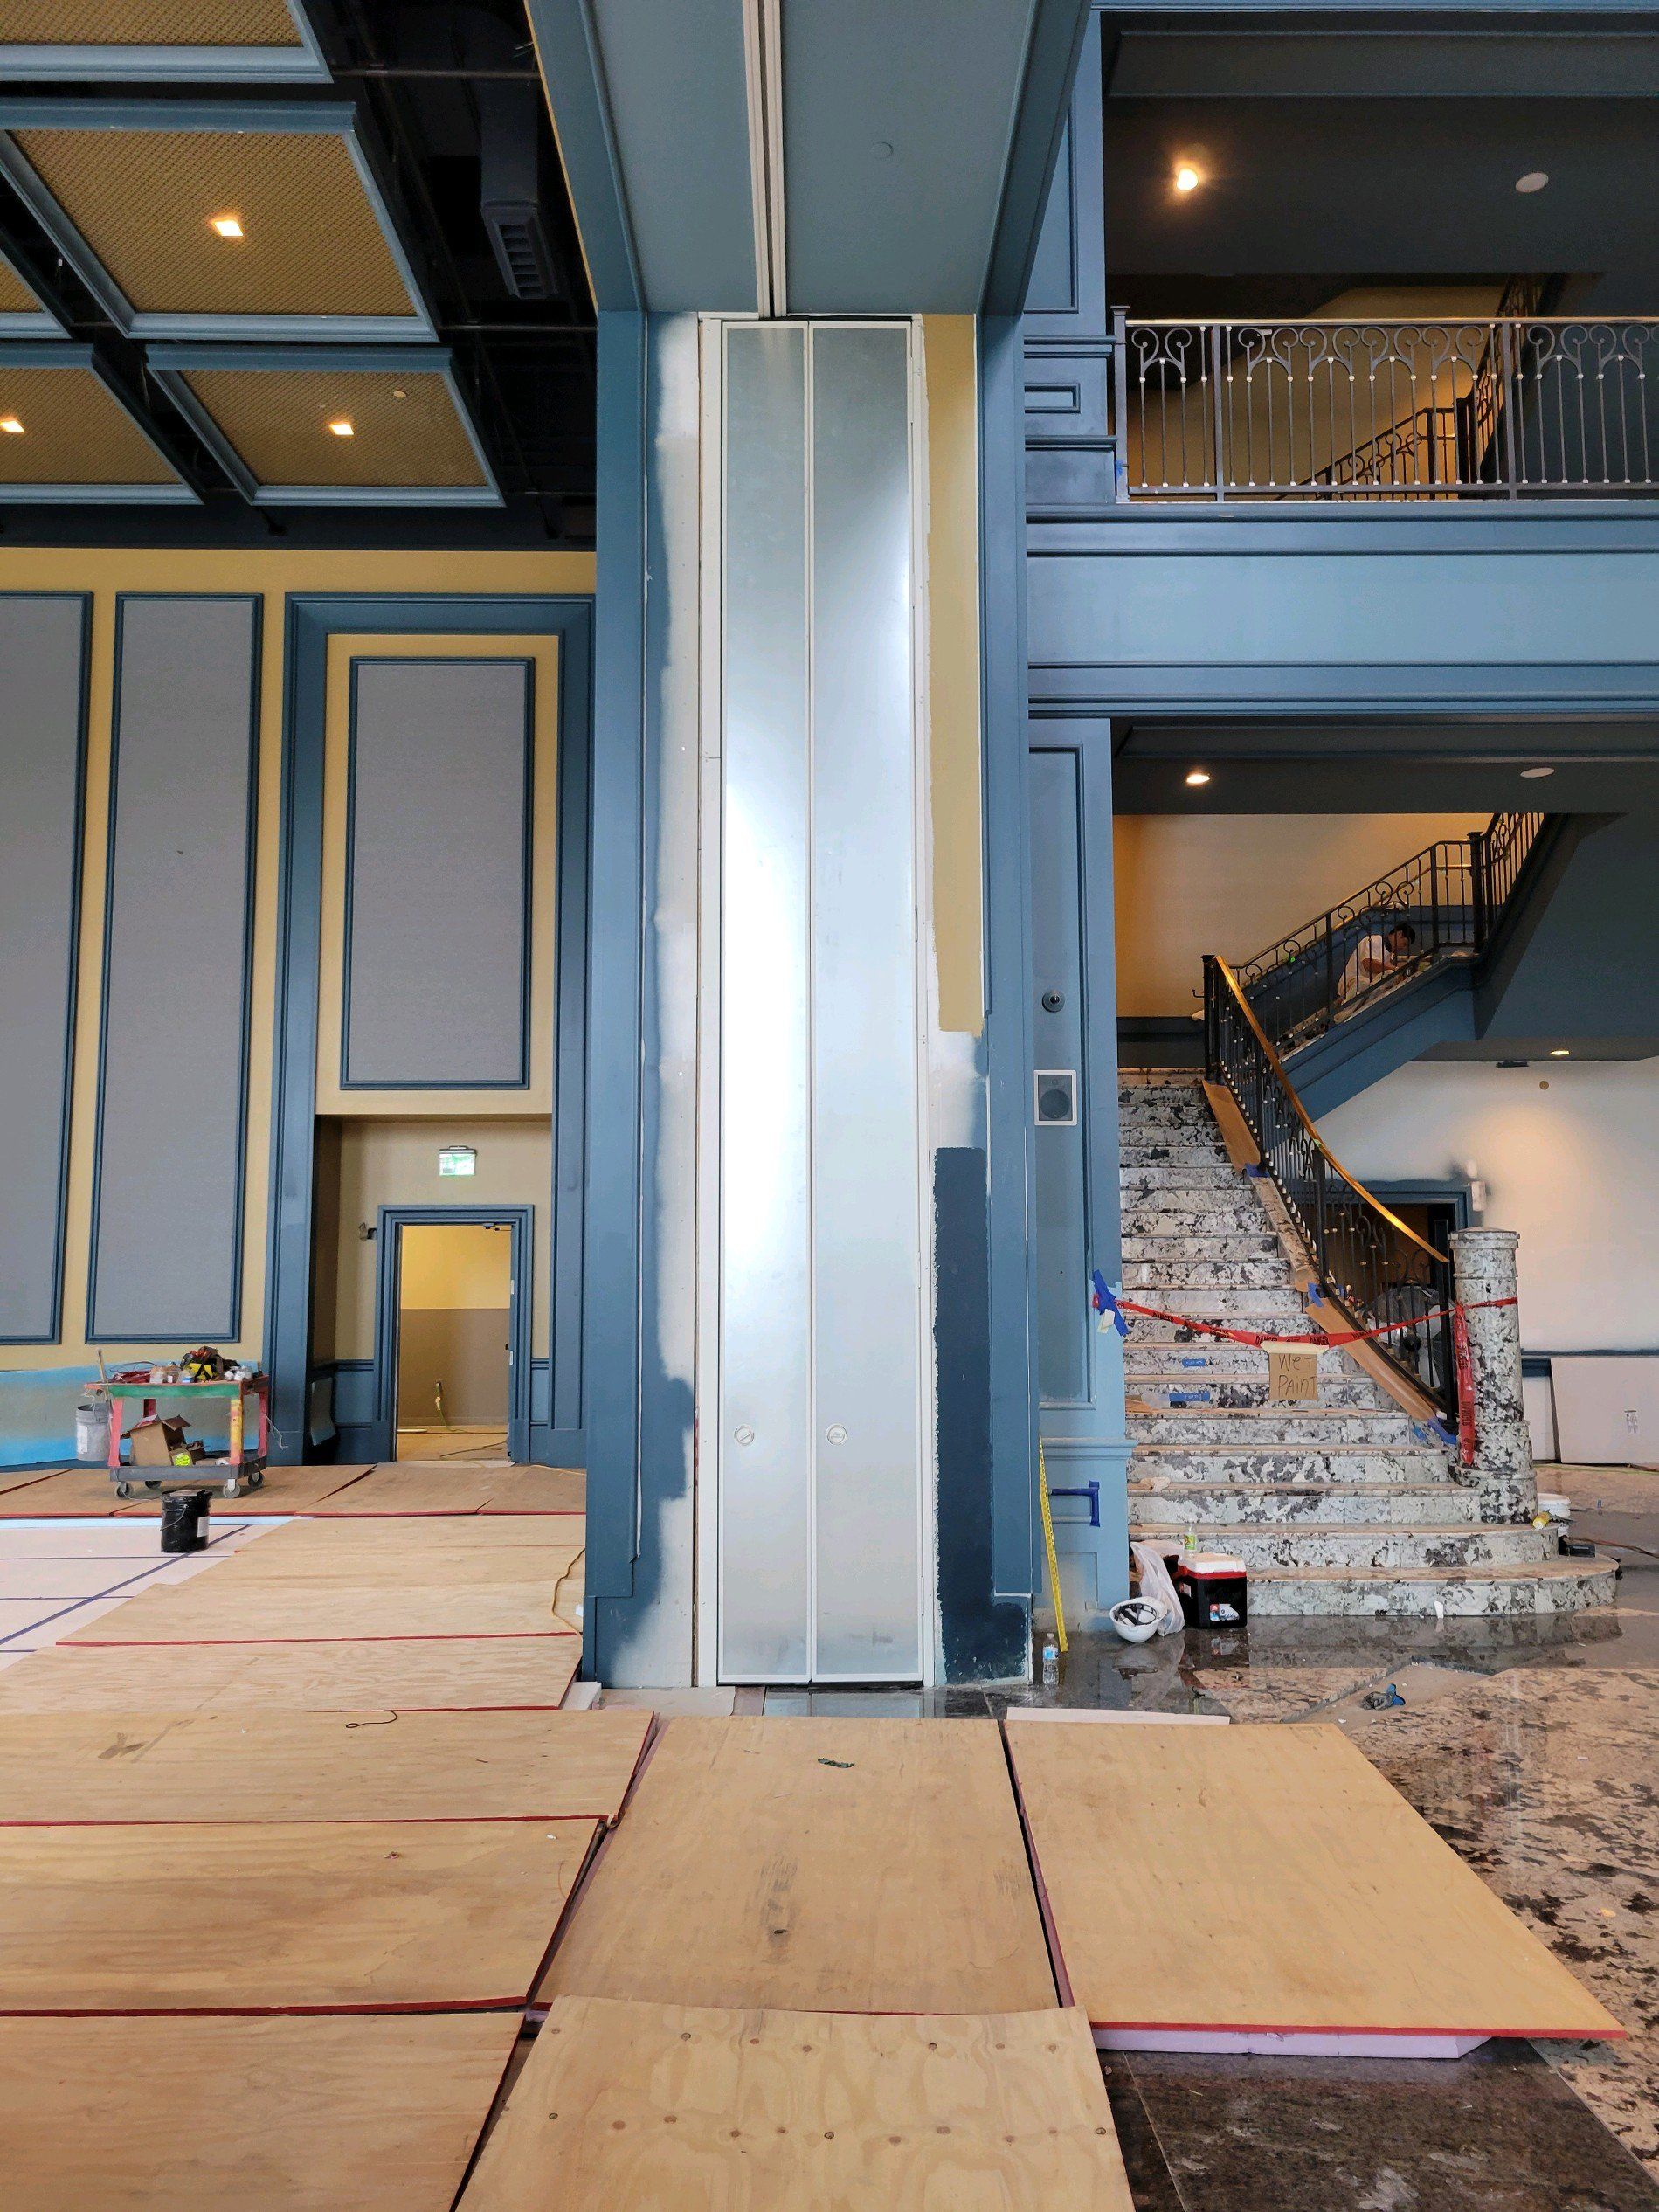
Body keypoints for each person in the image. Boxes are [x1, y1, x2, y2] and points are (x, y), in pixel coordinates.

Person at [1338, 918, 1417, 1006]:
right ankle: (1343, 1013)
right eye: (1405, 943)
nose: (1404, 948)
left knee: (1389, 975)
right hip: (1351, 983)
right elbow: (1368, 964)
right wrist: (1395, 969)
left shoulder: (1390, 956)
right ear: (1399, 934)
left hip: (1368, 988)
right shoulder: (1374, 940)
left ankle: (1368, 1006)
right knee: (1364, 982)